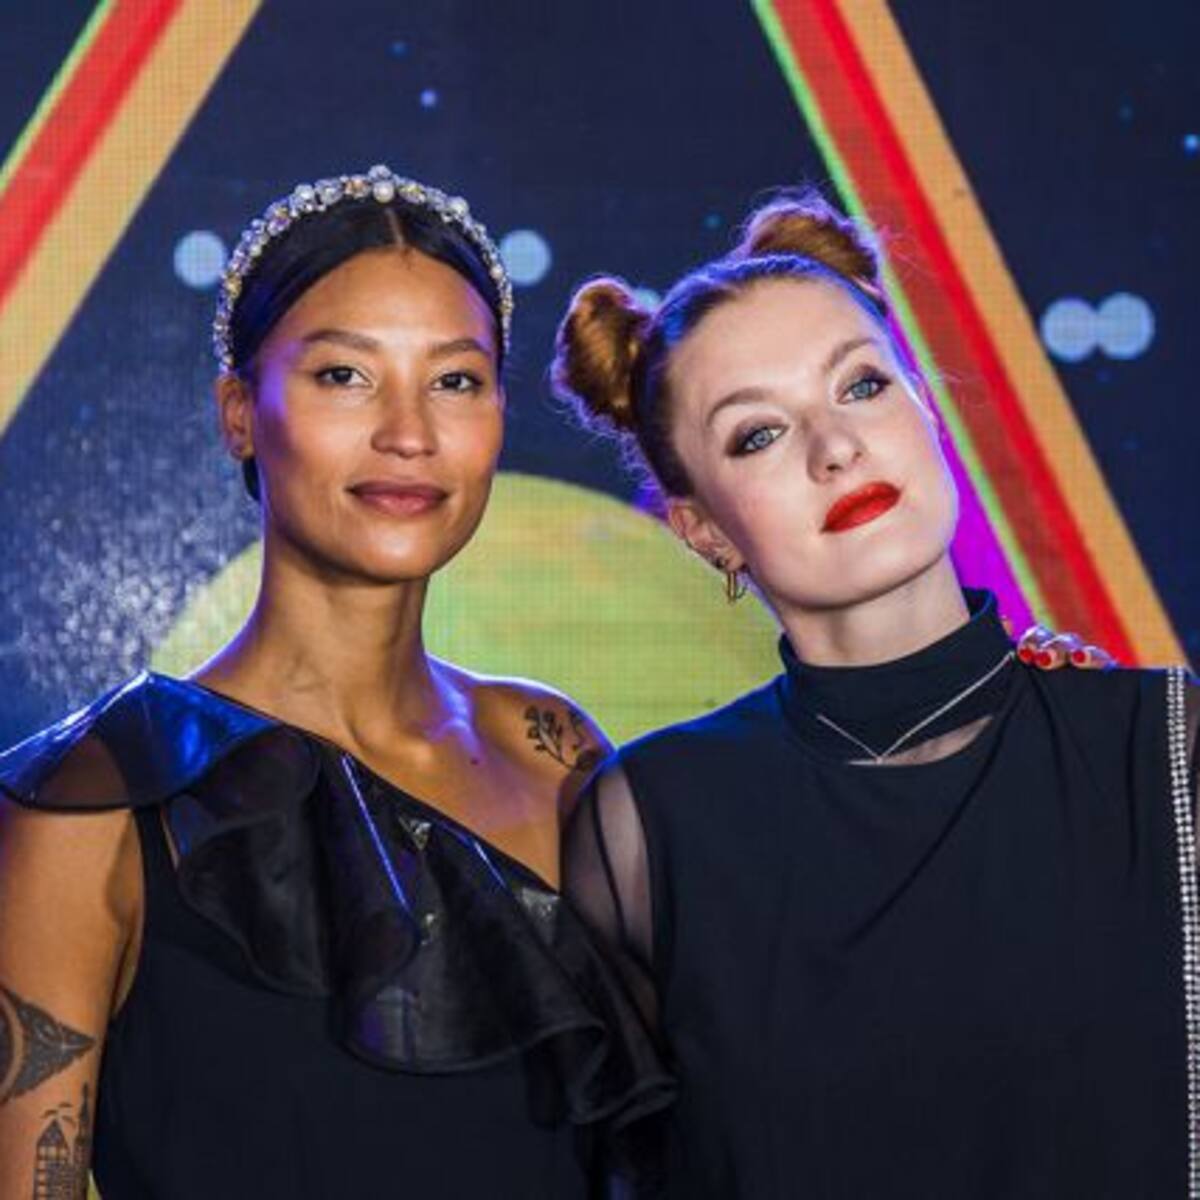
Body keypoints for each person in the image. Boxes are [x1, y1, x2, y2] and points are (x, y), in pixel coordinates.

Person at [0, 165, 671, 1199]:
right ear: (239, 413)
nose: (409, 433)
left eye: (455, 381)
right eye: (344, 375)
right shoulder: (93, 798)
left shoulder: (553, 753)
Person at [552, 188, 1200, 1198]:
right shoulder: (647, 827)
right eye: (758, 434)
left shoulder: (1162, 750)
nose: (836, 447)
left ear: (924, 408)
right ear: (703, 530)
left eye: (861, 386)